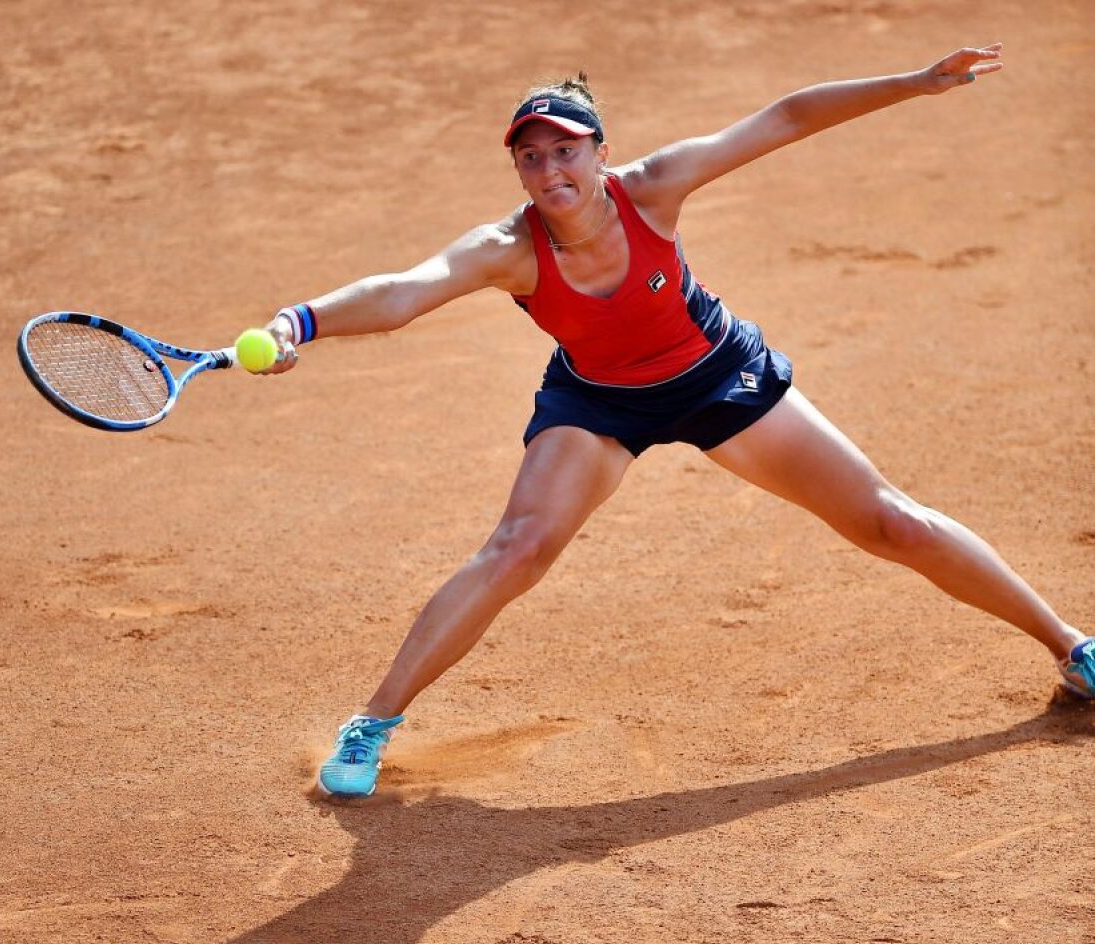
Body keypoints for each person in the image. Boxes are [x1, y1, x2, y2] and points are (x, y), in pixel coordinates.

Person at [252, 44, 1094, 797]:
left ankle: (1071, 648)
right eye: (531, 158)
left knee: (887, 520)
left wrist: (914, 83)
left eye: (565, 151)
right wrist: (301, 321)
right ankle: (373, 722)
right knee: (517, 548)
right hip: (598, 401)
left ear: (599, 151)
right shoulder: (507, 247)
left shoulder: (652, 190)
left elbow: (788, 116)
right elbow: (403, 291)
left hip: (719, 377)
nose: (551, 172)